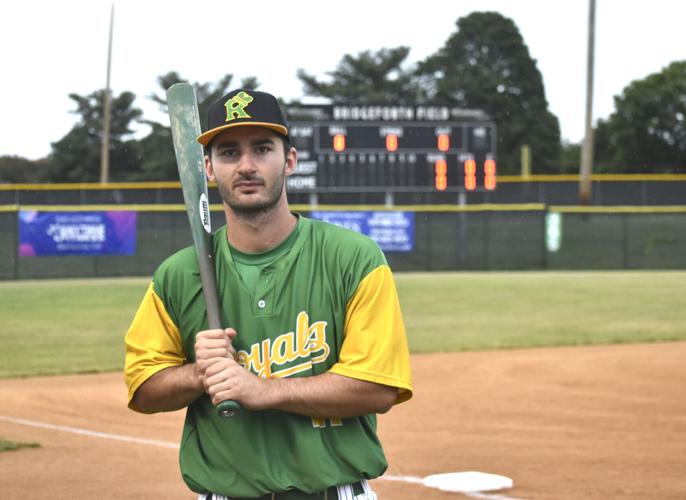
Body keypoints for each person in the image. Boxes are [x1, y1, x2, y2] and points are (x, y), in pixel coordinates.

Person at [124, 88, 413, 500]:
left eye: (262, 149)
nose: (246, 166)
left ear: (289, 159)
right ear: (206, 167)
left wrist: (264, 390)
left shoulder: (353, 258)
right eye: (228, 153)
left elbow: (378, 387)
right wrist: (199, 373)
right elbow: (143, 389)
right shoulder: (178, 275)